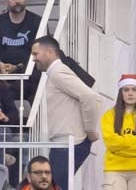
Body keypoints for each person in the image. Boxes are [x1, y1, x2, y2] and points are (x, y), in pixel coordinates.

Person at [31, 36, 102, 185]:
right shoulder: (55, 72)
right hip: (64, 144)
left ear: (49, 52)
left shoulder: (58, 72)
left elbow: (90, 97)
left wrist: (90, 130)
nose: (33, 59)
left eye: (36, 54)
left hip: (68, 144)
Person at [99, 73, 136, 189]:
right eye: (126, 90)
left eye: (134, 90)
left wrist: (121, 144)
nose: (130, 93)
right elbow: (111, 143)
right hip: (114, 170)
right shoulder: (109, 116)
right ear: (121, 93)